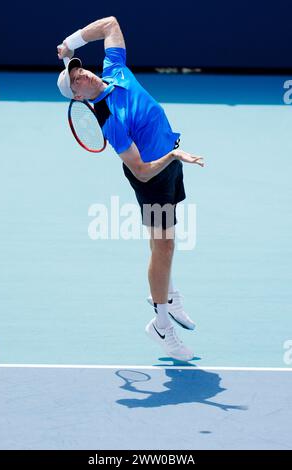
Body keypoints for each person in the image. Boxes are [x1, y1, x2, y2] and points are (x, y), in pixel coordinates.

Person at [57, 16, 204, 361]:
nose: (84, 74)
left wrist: (71, 42)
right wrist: (173, 156)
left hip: (170, 161)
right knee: (164, 247)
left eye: (80, 69)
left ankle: (170, 294)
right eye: (77, 78)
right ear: (77, 95)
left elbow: (110, 24)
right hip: (154, 177)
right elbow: (139, 170)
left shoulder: (114, 69)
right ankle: (161, 324)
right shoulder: (109, 120)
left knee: (163, 244)